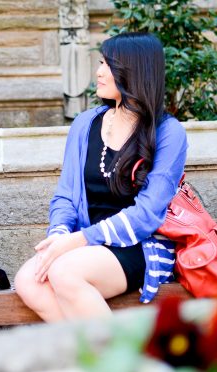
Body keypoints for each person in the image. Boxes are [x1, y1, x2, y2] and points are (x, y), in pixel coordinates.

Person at [14, 32, 188, 321]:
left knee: (64, 272)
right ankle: (99, 360)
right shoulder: (85, 124)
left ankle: (116, 362)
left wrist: (78, 241)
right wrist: (59, 237)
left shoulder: (168, 132)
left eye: (108, 65)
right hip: (86, 242)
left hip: (138, 244)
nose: (99, 72)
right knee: (28, 281)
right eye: (101, 63)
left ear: (133, 71)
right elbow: (66, 196)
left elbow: (147, 215)